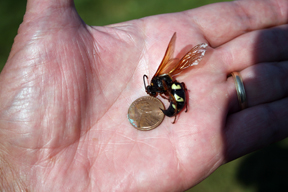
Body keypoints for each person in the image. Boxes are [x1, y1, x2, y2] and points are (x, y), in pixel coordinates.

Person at [0, 0, 287, 191]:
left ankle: (180, 103)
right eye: (155, 90)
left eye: (154, 90)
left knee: (177, 90)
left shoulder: (165, 85)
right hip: (177, 93)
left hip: (178, 94)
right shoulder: (163, 82)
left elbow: (170, 85)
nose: (152, 92)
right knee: (177, 90)